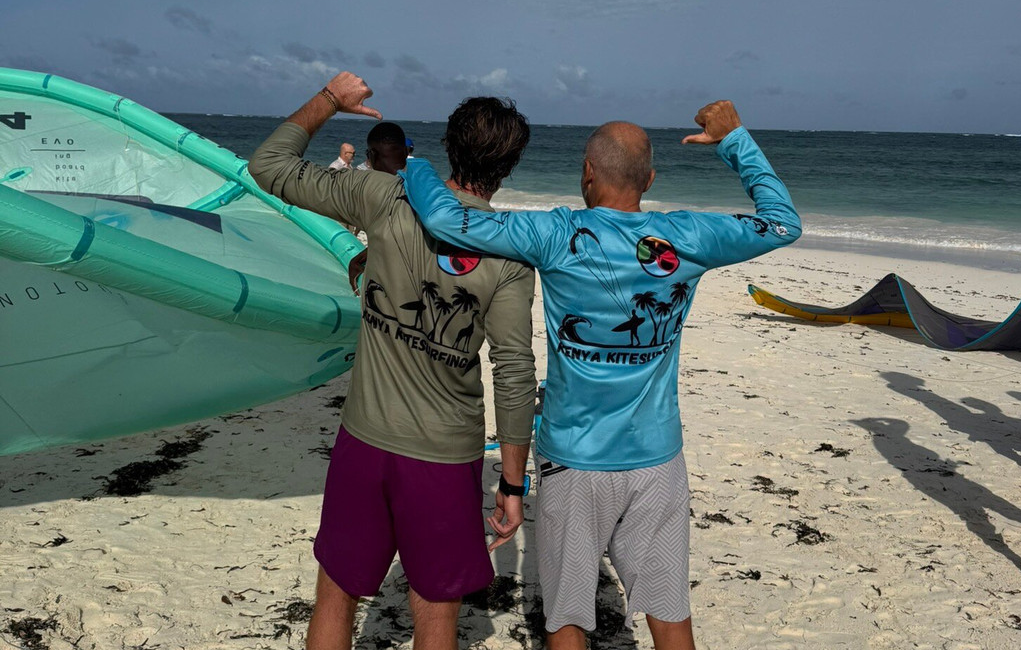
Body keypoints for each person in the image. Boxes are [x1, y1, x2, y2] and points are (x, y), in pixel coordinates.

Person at [402, 100, 801, 648]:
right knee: (668, 613)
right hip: (658, 461)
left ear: (587, 173)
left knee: (567, 617)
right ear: (651, 179)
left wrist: (412, 164)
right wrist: (735, 141)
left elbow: (446, 218)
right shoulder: (687, 236)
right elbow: (782, 222)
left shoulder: (555, 234)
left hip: (573, 461)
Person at [247, 73, 538, 650]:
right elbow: (514, 373)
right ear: (508, 168)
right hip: (444, 456)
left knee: (335, 596)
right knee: (435, 614)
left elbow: (269, 165)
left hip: (366, 441)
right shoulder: (508, 253)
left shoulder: (384, 196)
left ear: (447, 146)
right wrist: (510, 484)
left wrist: (331, 99)